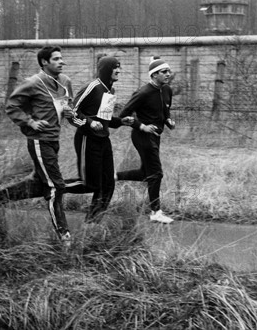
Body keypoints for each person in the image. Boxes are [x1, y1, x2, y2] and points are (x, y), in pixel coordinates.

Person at [0, 46, 74, 243]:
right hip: (39, 141)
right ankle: (64, 236)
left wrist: (69, 113)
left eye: (61, 58)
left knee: (38, 183)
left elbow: (67, 106)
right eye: (56, 59)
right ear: (44, 62)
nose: (61, 62)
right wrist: (30, 122)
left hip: (54, 140)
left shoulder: (65, 82)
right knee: (56, 187)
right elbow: (12, 106)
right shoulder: (33, 83)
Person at [65, 56, 133, 223]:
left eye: (119, 67)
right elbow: (71, 113)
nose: (119, 71)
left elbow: (105, 119)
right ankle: (54, 186)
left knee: (108, 184)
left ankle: (92, 224)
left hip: (103, 140)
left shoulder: (110, 91)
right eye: (115, 67)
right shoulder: (92, 87)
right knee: (90, 184)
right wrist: (89, 122)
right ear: (105, 70)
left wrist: (121, 121)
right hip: (87, 139)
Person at [116, 56, 175, 224]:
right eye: (164, 72)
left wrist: (168, 121)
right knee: (156, 173)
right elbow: (123, 115)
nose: (168, 74)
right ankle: (155, 212)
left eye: (168, 71)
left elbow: (165, 110)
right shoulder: (143, 93)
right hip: (142, 136)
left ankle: (111, 176)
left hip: (155, 137)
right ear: (154, 75)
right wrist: (142, 126)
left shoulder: (167, 90)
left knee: (145, 174)